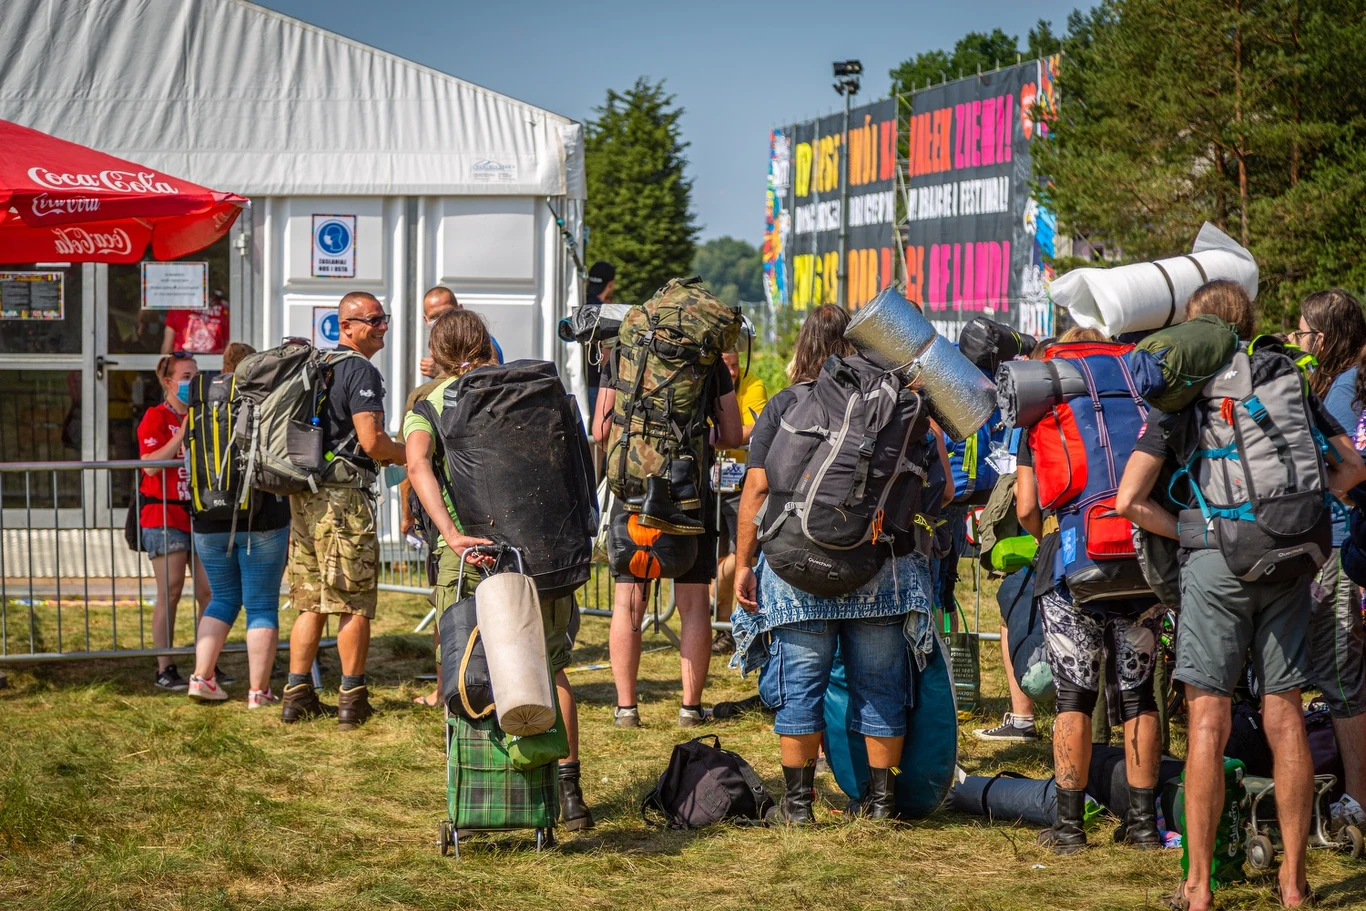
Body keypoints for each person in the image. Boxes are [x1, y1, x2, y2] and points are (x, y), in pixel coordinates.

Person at [1117, 281, 1366, 911]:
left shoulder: (1184, 391)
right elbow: (1352, 467)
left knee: (1208, 719)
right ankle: (1294, 884)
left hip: (1217, 567)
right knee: (1285, 715)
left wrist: (1199, 530)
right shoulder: (1284, 373)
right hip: (1289, 559)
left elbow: (1130, 502)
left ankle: (1197, 888)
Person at [732, 303, 950, 823]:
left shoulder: (785, 404)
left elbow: (757, 489)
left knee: (800, 685)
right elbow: (938, 486)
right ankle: (879, 804)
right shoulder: (902, 409)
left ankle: (798, 806)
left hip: (796, 571)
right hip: (883, 570)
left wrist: (743, 562)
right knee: (880, 687)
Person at [405, 307, 595, 829]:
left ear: (437, 359)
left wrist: (447, 532)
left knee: (467, 668)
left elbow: (416, 462)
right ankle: (569, 792)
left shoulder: (432, 401)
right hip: (543, 555)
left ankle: (474, 792)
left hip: (468, 557)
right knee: (552, 666)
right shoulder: (537, 388)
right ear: (489, 344)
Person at [1017, 324, 1164, 854]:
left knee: (1073, 697)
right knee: (1138, 695)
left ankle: (1070, 828)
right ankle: (1145, 826)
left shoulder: (1044, 409)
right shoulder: (1138, 394)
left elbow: (1028, 509)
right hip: (1142, 561)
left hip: (1074, 566)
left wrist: (1054, 534)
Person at [592, 305, 742, 728]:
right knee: (693, 603)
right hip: (688, 489)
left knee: (628, 602)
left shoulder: (626, 349)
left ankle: (626, 708)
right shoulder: (707, 355)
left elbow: (601, 431)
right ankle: (690, 708)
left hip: (634, 487)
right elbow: (731, 434)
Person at [280, 291, 407, 730]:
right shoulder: (359, 369)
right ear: (346, 327)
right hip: (342, 501)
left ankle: (296, 696)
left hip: (306, 496)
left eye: (383, 318)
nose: (382, 326)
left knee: (310, 600)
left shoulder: (318, 367)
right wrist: (411, 454)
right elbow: (371, 442)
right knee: (354, 602)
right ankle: (352, 700)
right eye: (372, 320)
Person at [185, 343, 293, 708]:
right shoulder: (262, 401)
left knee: (222, 598)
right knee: (261, 604)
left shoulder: (201, 402)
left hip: (208, 517)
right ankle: (258, 692)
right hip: (262, 518)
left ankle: (201, 678)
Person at [1293, 289, 1366, 813]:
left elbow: (1348, 475)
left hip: (1340, 547)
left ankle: (1357, 799)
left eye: (1300, 333)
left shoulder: (1340, 393)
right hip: (1350, 545)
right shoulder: (1354, 382)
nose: (1297, 342)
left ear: (1323, 337)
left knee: (1341, 675)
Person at [974, 339, 1054, 743]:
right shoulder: (1108, 410)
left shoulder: (1036, 424)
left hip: (1053, 542)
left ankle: (1024, 719)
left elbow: (1025, 508)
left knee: (1011, 602)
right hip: (1111, 544)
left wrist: (1047, 541)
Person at [138, 353, 213, 690]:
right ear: (168, 383)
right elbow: (151, 466)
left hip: (199, 513)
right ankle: (164, 666)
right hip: (163, 514)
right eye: (185, 376)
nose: (192, 382)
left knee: (209, 592)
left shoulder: (205, 417)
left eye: (196, 376)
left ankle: (205, 662)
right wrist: (181, 433)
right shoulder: (155, 417)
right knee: (170, 591)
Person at [711, 343, 769, 653]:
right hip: (708, 481)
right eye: (726, 367)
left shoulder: (753, 384)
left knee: (740, 553)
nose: (732, 373)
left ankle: (728, 621)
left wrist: (715, 436)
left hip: (740, 482)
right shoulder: (705, 383)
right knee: (716, 556)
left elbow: (756, 426)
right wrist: (728, 434)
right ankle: (723, 632)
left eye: (735, 366)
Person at [583, 261, 616, 418]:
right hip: (597, 382)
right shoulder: (606, 311)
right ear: (610, 284)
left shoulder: (581, 302)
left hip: (577, 378)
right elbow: (606, 353)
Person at [162, 289, 229, 354]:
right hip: (212, 362)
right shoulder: (223, 308)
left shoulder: (179, 306)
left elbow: (167, 348)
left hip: (184, 360)